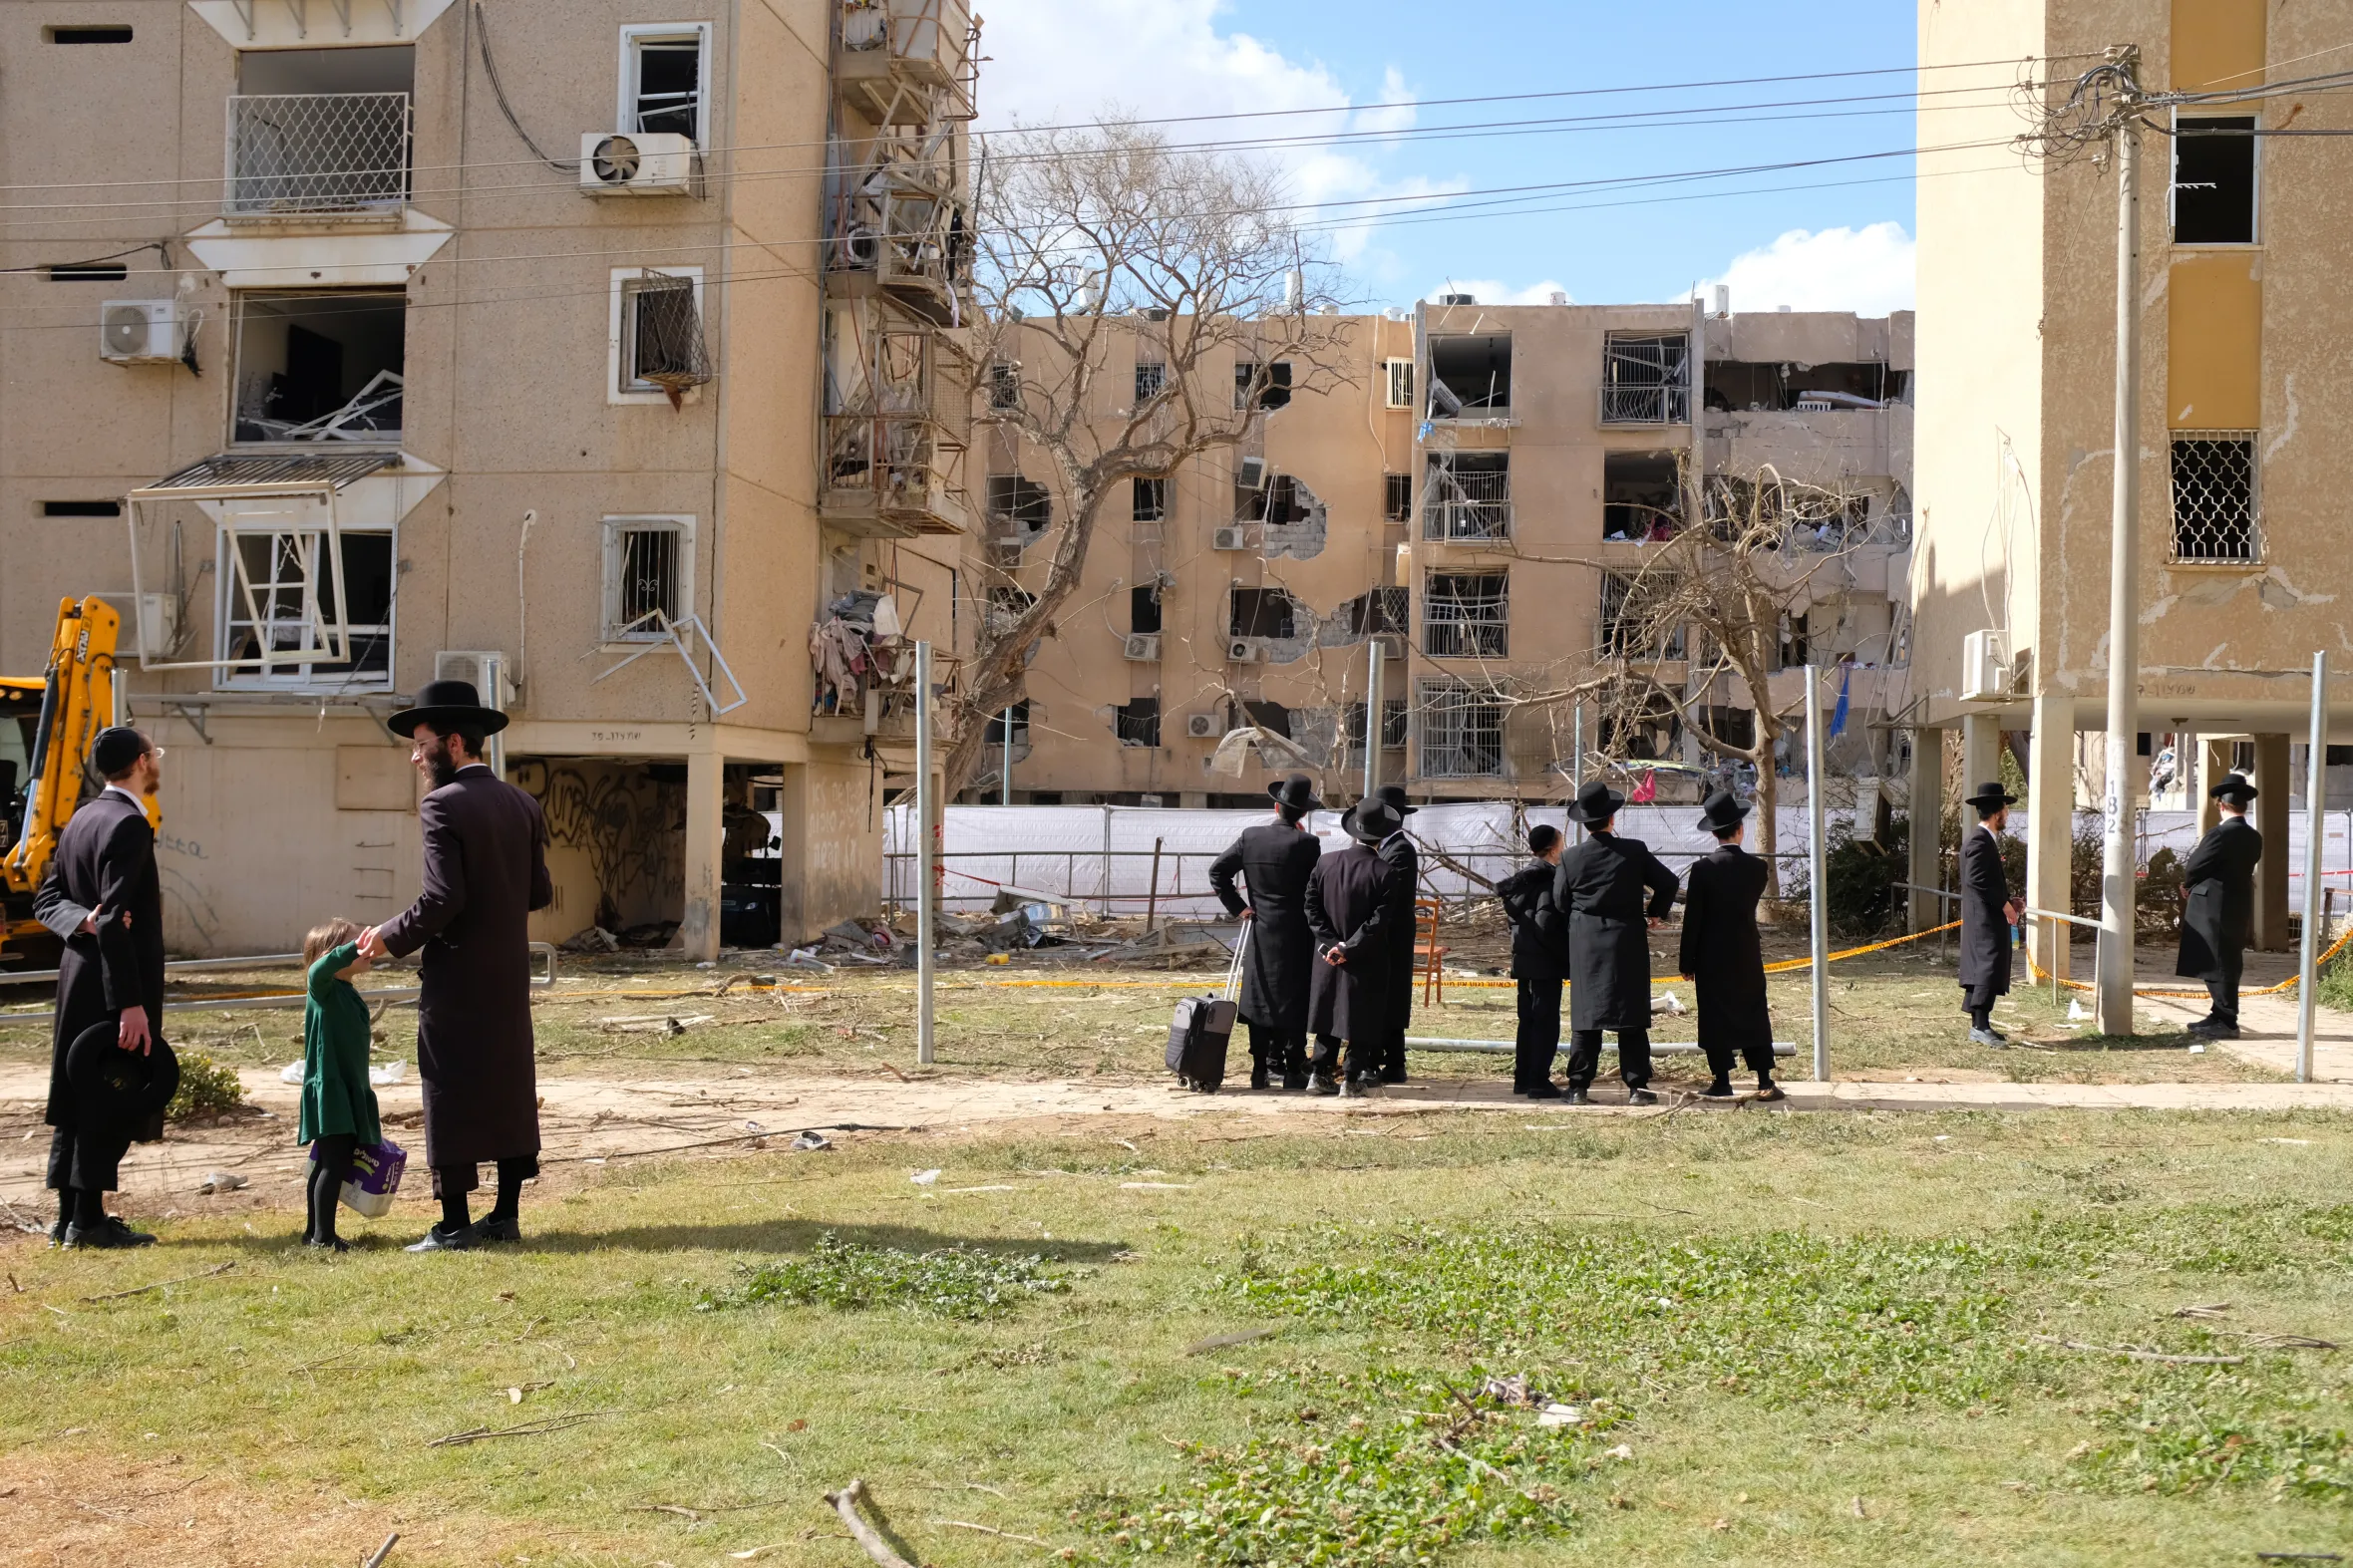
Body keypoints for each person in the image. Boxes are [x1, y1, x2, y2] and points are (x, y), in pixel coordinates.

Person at [360, 679, 552, 1252]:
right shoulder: (523, 803)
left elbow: (442, 900)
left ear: (454, 743)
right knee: (508, 1087)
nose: (415, 758)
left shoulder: (442, 804)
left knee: (448, 1090)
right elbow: (538, 893)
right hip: (508, 974)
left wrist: (385, 939)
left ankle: (452, 1225)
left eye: (421, 745)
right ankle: (504, 1216)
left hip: (458, 977)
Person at [32, 727, 167, 1248]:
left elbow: (49, 901)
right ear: (141, 762)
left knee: (77, 1090)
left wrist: (81, 922)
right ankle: (88, 1222)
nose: (156, 760)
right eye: (154, 753)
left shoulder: (82, 817)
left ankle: (68, 1219)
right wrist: (130, 1003)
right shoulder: (129, 823)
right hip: (114, 983)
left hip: (77, 976)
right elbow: (113, 919)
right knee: (109, 1091)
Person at [1553, 780, 1679, 1105]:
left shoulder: (1570, 858)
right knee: (1631, 1015)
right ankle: (1638, 1087)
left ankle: (1578, 1087)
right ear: (1612, 818)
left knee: (1586, 1018)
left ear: (1584, 822)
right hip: (1627, 939)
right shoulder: (1634, 850)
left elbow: (1559, 902)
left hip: (1586, 944)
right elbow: (1668, 882)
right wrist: (1655, 912)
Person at [1208, 774, 1324, 1090]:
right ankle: (1292, 1068)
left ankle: (1259, 1070)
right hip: (1297, 932)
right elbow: (1314, 889)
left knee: (1259, 997)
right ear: (1303, 814)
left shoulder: (1251, 837)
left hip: (1260, 929)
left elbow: (1217, 872)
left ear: (1276, 807)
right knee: (1294, 998)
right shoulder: (1308, 844)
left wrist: (1240, 907)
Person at [1677, 790, 1782, 1101]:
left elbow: (1693, 919)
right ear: (1740, 829)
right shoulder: (1757, 868)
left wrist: (1686, 961)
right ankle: (1764, 1078)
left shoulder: (1703, 869)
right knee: (1753, 1010)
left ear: (1713, 833)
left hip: (1710, 953)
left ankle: (1722, 1079)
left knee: (1714, 1014)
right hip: (1746, 950)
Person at [1304, 799, 1404, 1098]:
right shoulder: (1385, 871)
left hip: (1327, 955)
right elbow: (1378, 921)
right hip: (1366, 956)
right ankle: (1351, 1077)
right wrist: (1349, 946)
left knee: (1328, 1011)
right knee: (1363, 1014)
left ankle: (1319, 1073)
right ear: (1382, 835)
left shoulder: (1326, 862)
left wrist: (1331, 943)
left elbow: (1311, 907)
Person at [298, 918, 382, 1251]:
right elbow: (319, 969)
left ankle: (313, 1232)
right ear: (332, 953)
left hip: (347, 1089)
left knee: (327, 1162)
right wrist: (352, 948)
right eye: (355, 944)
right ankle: (324, 1238)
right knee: (334, 1164)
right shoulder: (322, 986)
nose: (365, 949)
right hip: (330, 1092)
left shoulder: (347, 991)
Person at [2178, 773, 2263, 1039]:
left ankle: (2226, 1020)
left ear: (2221, 805)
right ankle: (2218, 1014)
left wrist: (2188, 884)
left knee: (2215, 961)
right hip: (2237, 902)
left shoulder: (2219, 834)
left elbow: (2196, 866)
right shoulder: (2253, 836)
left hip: (2212, 904)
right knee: (2227, 957)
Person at [1499, 823, 1570, 1098]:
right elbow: (1545, 923)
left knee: (1527, 1020)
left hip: (1524, 960)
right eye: (1561, 843)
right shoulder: (1548, 880)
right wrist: (1564, 956)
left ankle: (1523, 1078)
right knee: (1545, 1023)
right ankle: (1539, 1081)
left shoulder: (1522, 880)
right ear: (1552, 850)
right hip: (1545, 962)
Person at [1956, 782, 2023, 1046]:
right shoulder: (1979, 841)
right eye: (2006, 810)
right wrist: (2004, 905)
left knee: (1984, 968)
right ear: (1997, 814)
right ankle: (1980, 1026)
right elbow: (1976, 879)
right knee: (1987, 967)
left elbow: (1987, 880)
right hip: (1984, 920)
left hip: (1986, 916)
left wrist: (2008, 900)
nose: (2007, 814)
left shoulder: (1985, 840)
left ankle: (1980, 1025)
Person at [1369, 784, 1421, 1085]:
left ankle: (1392, 1061)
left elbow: (1389, 894)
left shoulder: (1400, 849)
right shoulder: (1385, 847)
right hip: (1384, 932)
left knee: (1392, 996)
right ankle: (1389, 1060)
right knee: (1384, 996)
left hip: (1394, 934)